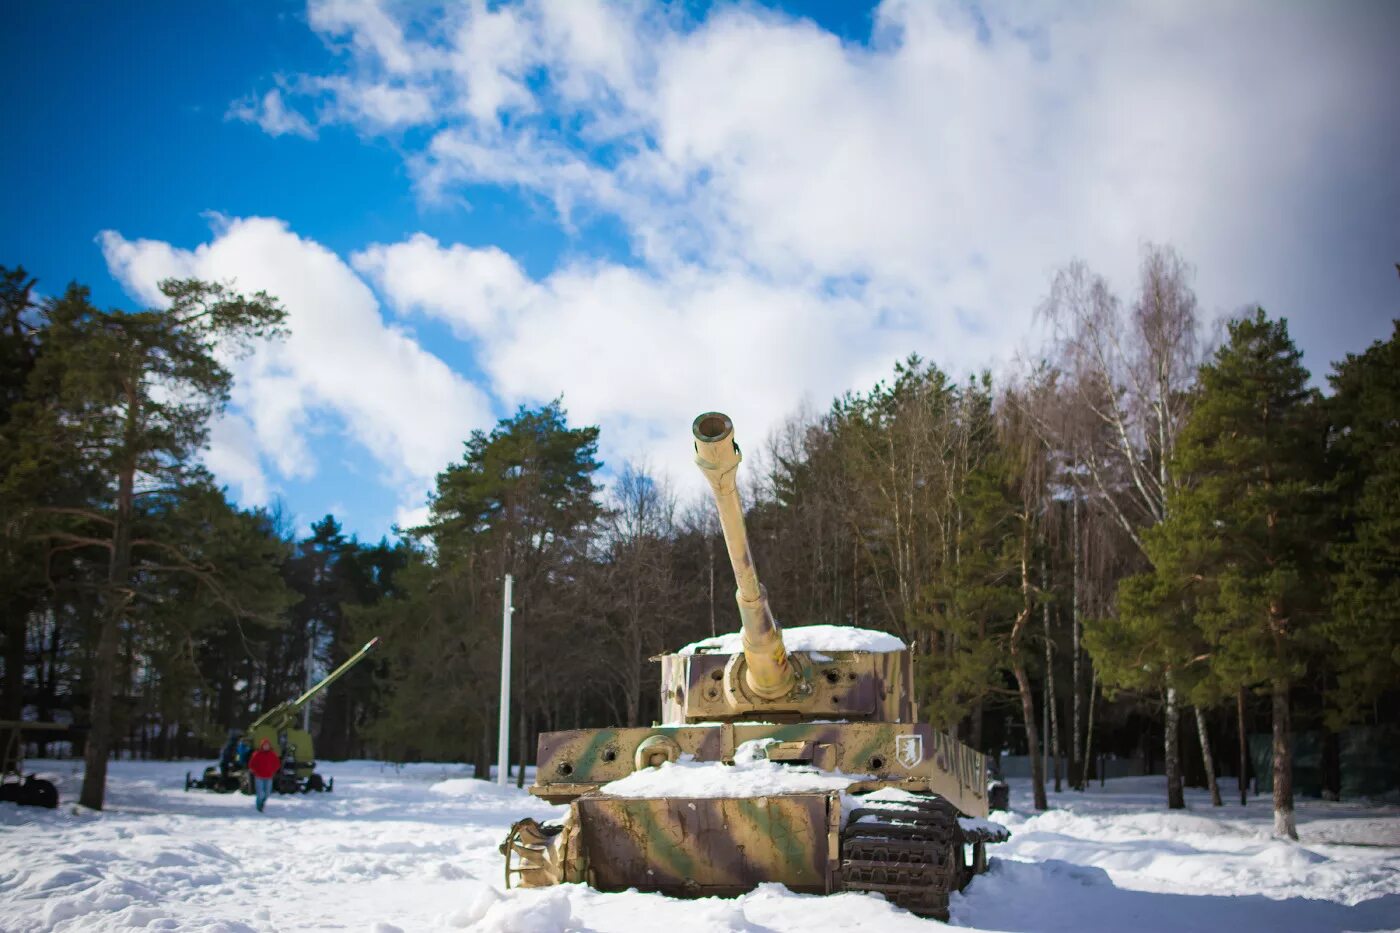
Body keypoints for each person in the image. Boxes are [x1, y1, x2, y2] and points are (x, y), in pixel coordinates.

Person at [247, 737, 281, 813]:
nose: (266, 746)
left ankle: (262, 803)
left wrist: (273, 771)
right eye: (264, 745)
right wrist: (255, 771)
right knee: (260, 794)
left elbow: (277, 764)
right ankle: (259, 806)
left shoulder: (272, 754)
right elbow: (251, 764)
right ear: (262, 746)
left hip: (268, 776)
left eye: (267, 745)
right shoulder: (257, 754)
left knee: (267, 793)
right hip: (259, 777)